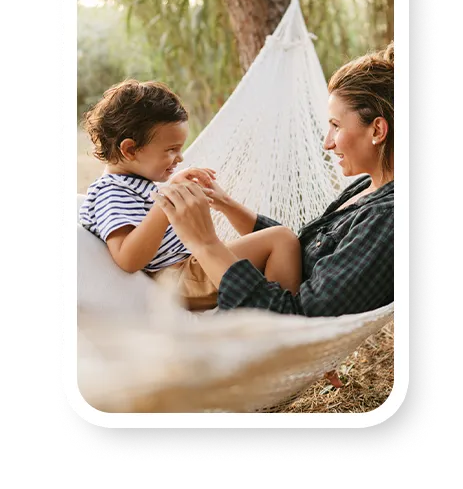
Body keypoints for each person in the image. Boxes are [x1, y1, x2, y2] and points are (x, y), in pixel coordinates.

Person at [153, 42, 394, 317]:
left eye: (336, 126)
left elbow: (294, 318)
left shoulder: (388, 220)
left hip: (260, 341)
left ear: (377, 130)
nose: (327, 143)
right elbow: (296, 250)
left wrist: (205, 243)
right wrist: (227, 204)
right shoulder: (369, 187)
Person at [79, 80, 302, 311]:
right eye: (171, 150)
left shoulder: (134, 184)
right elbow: (127, 258)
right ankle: (282, 322)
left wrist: (173, 187)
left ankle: (270, 316)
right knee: (281, 239)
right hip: (177, 277)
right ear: (130, 150)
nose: (180, 158)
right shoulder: (111, 192)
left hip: (189, 269)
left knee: (276, 242)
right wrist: (166, 203)